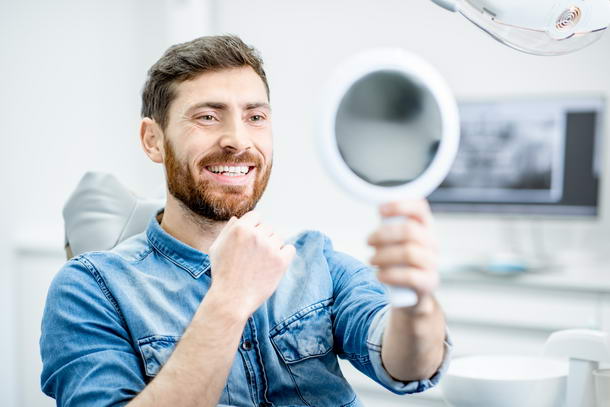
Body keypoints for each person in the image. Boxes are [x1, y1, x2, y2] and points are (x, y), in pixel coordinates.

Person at [40, 35, 451, 407]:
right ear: (153, 140)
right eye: (207, 117)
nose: (238, 139)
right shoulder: (90, 289)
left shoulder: (317, 261)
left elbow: (409, 367)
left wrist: (414, 301)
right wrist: (228, 301)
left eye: (255, 117)